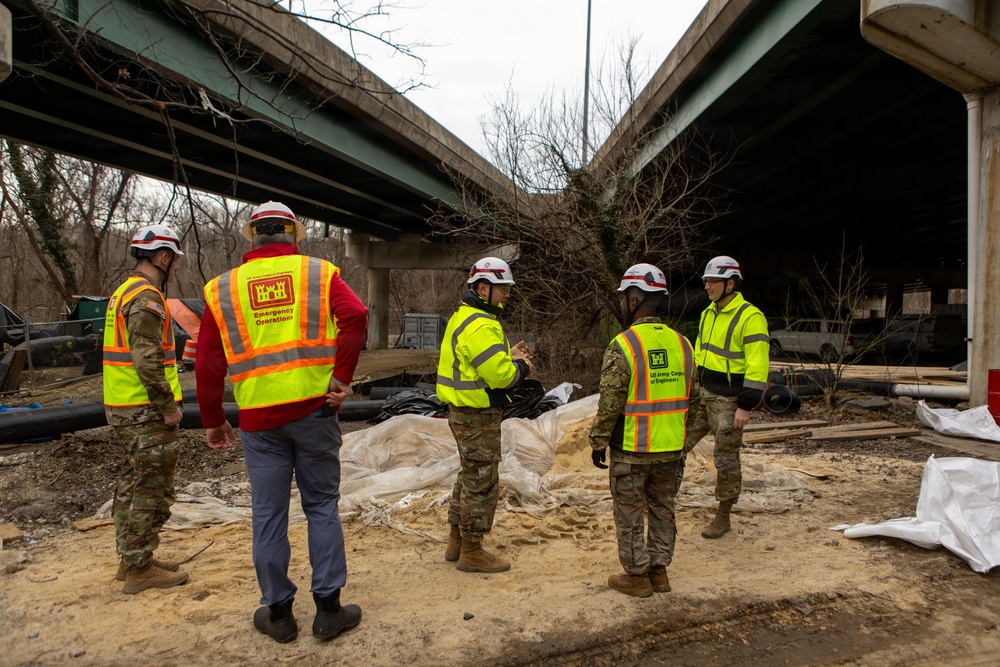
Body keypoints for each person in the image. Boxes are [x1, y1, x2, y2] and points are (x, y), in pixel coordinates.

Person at [196, 201, 368, 644]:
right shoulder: (318, 272)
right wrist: (341, 379)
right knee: (321, 507)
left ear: (252, 236)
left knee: (268, 515)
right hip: (316, 411)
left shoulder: (221, 288)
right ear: (294, 233)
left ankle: (279, 615)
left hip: (258, 422)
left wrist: (214, 420)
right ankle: (329, 611)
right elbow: (356, 317)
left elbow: (208, 363)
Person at [588, 263, 697, 597]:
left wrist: (598, 441)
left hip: (633, 450)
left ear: (634, 300)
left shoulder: (624, 345)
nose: (622, 303)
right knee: (663, 509)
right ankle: (659, 573)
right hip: (671, 449)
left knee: (631, 514)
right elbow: (695, 400)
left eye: (623, 298)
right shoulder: (684, 345)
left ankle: (637, 578)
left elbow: (610, 402)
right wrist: (681, 438)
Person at [103, 224, 189, 595]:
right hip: (145, 411)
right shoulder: (147, 298)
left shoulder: (121, 293)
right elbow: (147, 359)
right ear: (163, 257)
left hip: (124, 407)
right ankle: (140, 570)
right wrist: (168, 406)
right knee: (152, 489)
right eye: (173, 261)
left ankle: (132, 559)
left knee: (130, 482)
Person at [436, 257, 533, 574]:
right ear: (483, 288)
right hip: (476, 416)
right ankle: (472, 551)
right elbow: (502, 377)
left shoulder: (466, 317)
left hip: (464, 412)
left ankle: (457, 541)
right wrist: (522, 366)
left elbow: (482, 363)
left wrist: (509, 355)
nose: (507, 295)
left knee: (469, 476)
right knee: (482, 482)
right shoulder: (480, 324)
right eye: (503, 289)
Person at [685, 255, 770, 539]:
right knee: (677, 442)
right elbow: (700, 353)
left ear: (730, 283)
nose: (707, 286)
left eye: (713, 282)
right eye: (706, 281)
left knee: (725, 458)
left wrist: (745, 406)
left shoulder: (750, 316)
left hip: (730, 402)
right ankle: (662, 497)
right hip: (703, 395)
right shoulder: (708, 313)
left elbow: (758, 366)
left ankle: (723, 516)